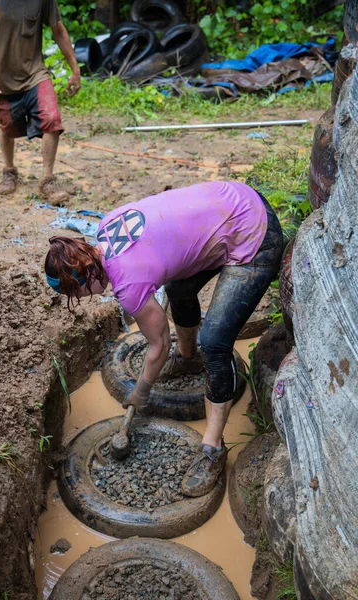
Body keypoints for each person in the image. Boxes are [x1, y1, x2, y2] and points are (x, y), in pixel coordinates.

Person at [45, 181, 283, 498]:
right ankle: (189, 360)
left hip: (254, 234)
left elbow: (158, 345)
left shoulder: (127, 285)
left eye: (76, 292)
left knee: (214, 341)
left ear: (86, 276)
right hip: (236, 197)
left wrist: (140, 391)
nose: (84, 298)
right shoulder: (106, 225)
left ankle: (212, 449)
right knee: (179, 288)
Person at [0, 0, 81, 200]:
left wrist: (75, 69)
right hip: (1, 78)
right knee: (8, 127)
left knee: (52, 119)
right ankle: (10, 171)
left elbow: (59, 30)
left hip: (35, 73)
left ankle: (48, 180)